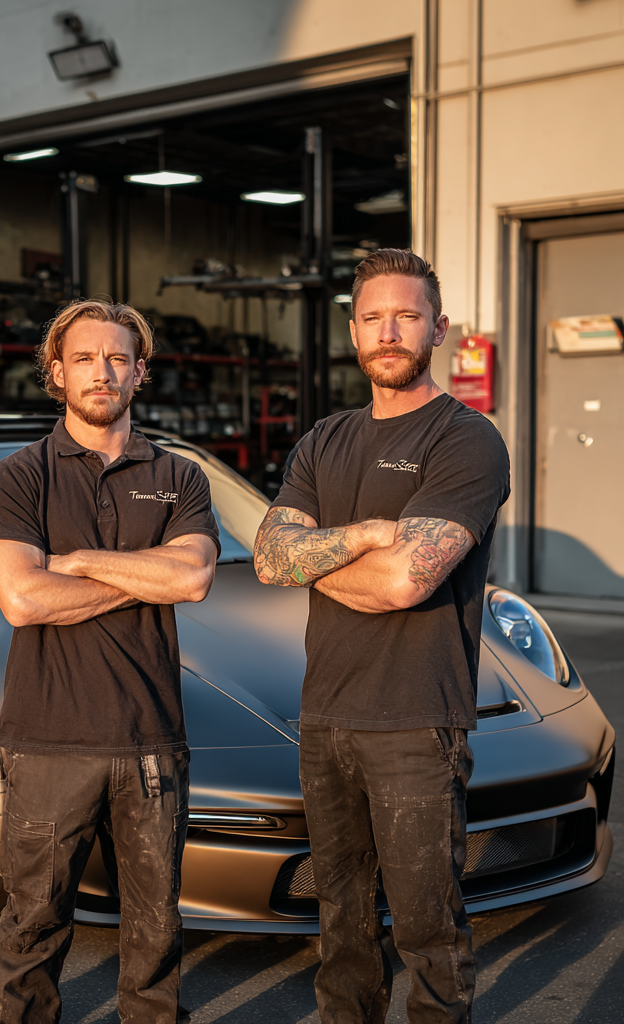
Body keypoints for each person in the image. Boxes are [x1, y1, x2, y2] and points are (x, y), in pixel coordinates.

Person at [253, 250, 510, 1024]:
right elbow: (267, 558)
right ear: (354, 330)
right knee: (342, 925)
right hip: (325, 718)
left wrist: (309, 557)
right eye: (372, 316)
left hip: (415, 722)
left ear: (437, 327)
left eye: (406, 315)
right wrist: (366, 534)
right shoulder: (323, 440)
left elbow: (405, 582)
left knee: (430, 931)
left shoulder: (466, 439)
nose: (388, 330)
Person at [0, 298, 220, 1024]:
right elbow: (22, 598)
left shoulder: (180, 478)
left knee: (155, 932)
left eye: (117, 357)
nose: (101, 371)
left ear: (140, 372)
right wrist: (145, 572)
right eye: (84, 357)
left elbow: (195, 578)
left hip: (151, 743)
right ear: (56, 371)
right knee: (32, 927)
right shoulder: (18, 477)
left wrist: (77, 564)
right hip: (48, 743)